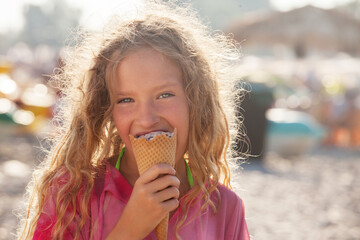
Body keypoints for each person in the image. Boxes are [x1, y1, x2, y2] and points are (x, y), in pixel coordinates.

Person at [17, 1, 250, 239]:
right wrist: (131, 227)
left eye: (165, 95)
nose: (147, 119)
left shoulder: (223, 207)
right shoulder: (73, 193)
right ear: (107, 110)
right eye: (126, 100)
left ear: (197, 102)